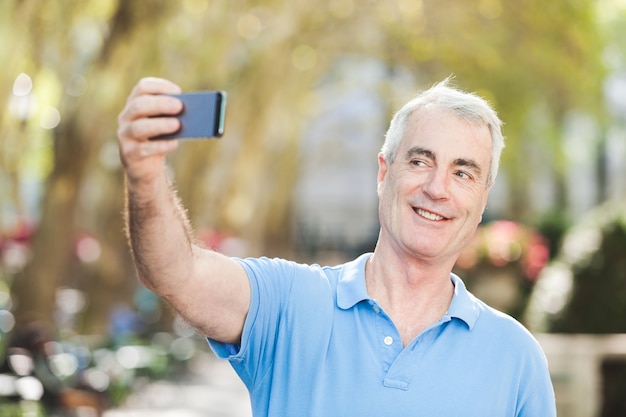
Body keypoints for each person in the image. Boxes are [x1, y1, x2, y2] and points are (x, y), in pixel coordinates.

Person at [117, 77, 556, 416]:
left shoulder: (516, 357)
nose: (437, 188)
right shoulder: (289, 303)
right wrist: (146, 176)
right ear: (384, 173)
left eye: (463, 173)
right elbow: (176, 273)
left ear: (483, 199)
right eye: (420, 161)